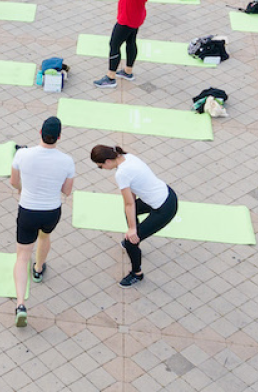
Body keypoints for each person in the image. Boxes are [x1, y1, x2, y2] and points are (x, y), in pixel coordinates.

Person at [11, 117, 75, 327]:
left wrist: (24, 189)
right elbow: (66, 191)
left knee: (22, 256)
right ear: (59, 137)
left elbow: (13, 182)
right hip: (51, 211)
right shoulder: (67, 161)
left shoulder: (22, 154)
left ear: (39, 132)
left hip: (28, 210)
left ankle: (20, 304)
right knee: (45, 236)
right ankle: (38, 269)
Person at [89, 145, 178, 289]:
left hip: (164, 208)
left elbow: (129, 204)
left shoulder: (121, 174)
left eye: (100, 166)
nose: (102, 169)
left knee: (130, 242)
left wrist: (132, 229)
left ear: (107, 161)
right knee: (130, 217)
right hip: (167, 194)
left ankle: (137, 273)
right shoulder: (128, 157)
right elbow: (132, 195)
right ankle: (135, 239)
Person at [95, 0, 153, 87]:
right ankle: (128, 71)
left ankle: (110, 77)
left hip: (127, 18)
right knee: (131, 42)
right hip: (137, 16)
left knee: (114, 45)